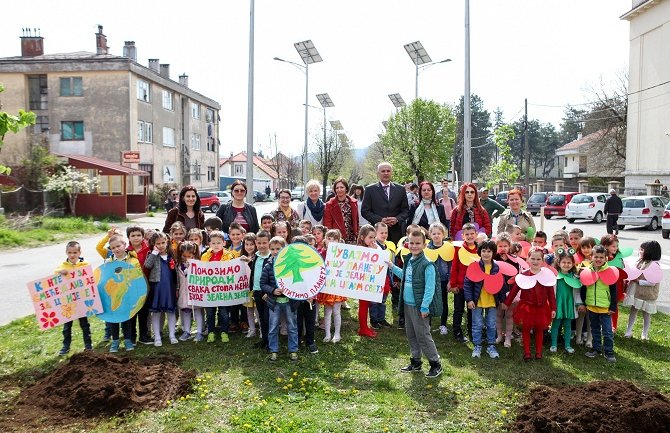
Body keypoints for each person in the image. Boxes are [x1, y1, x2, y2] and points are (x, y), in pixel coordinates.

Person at [388, 229, 443, 378]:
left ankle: (435, 363)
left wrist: (425, 306)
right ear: (407, 244)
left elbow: (430, 288)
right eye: (411, 243)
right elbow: (405, 276)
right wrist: (392, 267)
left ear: (424, 245)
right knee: (411, 334)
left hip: (420, 307)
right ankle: (416, 361)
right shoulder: (409, 261)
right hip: (407, 304)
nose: (414, 246)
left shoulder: (427, 265)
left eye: (418, 243)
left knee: (423, 335)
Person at [503, 247, 556, 361]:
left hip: (541, 308)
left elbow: (551, 294)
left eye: (538, 259)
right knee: (526, 329)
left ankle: (538, 352)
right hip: (527, 307)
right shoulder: (523, 275)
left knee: (539, 329)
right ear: (528, 259)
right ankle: (527, 352)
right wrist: (507, 303)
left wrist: (553, 308)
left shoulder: (546, 275)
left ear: (542, 261)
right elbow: (514, 290)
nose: (535, 261)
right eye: (533, 258)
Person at [261, 236, 300, 362]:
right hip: (274, 302)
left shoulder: (292, 264)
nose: (275, 251)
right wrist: (272, 290)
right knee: (273, 327)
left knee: (292, 327)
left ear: (285, 249)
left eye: (279, 248)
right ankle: (273, 350)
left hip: (290, 302)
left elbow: (299, 282)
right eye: (272, 249)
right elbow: (263, 284)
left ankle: (293, 350)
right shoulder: (268, 266)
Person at [464, 240, 504, 359]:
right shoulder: (474, 266)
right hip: (477, 302)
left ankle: (491, 345)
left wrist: (502, 301)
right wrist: (469, 299)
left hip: (492, 302)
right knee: (477, 324)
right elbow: (467, 285)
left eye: (489, 251)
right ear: (479, 252)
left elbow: (501, 285)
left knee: (491, 324)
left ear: (493, 253)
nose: (486, 253)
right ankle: (477, 345)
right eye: (483, 251)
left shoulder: (497, 267)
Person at [104, 234, 141, 353]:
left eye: (118, 246)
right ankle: (115, 341)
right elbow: (105, 278)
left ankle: (128, 340)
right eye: (113, 248)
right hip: (114, 296)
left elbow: (137, 276)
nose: (116, 249)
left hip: (128, 294)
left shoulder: (133, 260)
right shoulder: (108, 262)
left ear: (124, 245)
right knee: (114, 319)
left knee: (126, 318)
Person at [55, 241, 93, 355]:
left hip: (81, 300)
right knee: (67, 326)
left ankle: (88, 345)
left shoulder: (85, 265)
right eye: (70, 252)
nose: (72, 255)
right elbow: (55, 276)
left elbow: (89, 279)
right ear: (66, 253)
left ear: (79, 252)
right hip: (68, 302)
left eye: (75, 252)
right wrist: (60, 272)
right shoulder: (62, 266)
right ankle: (66, 346)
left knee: (84, 324)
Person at [582, 245, 618, 363]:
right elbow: (584, 288)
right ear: (591, 257)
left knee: (607, 331)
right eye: (596, 256)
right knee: (595, 329)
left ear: (605, 258)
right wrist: (584, 302)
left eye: (601, 257)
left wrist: (613, 306)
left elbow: (613, 291)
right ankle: (596, 348)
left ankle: (609, 351)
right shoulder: (587, 272)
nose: (598, 259)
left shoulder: (610, 272)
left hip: (605, 308)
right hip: (592, 306)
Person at [361, 162, 410, 244]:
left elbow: (406, 210)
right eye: (383, 171)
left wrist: (397, 219)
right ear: (378, 173)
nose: (386, 173)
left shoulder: (400, 189)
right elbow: (365, 211)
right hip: (376, 234)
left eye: (388, 171)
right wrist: (380, 220)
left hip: (396, 232)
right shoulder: (370, 190)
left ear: (391, 173)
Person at [144, 231, 178, 347]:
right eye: (158, 243)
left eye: (163, 242)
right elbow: (147, 265)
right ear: (153, 244)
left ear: (167, 242)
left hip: (170, 287)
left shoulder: (171, 254)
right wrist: (154, 252)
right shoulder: (152, 255)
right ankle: (157, 336)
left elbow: (176, 271)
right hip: (157, 288)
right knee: (156, 312)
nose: (161, 245)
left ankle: (172, 335)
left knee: (171, 311)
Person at [202, 230, 236, 343]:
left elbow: (232, 271)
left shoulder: (229, 255)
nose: (216, 245)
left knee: (224, 312)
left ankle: (224, 332)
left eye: (218, 243)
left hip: (223, 290)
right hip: (210, 290)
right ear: (209, 244)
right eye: (213, 243)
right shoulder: (205, 256)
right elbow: (201, 271)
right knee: (210, 312)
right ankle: (211, 331)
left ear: (224, 243)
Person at [624, 241, 662, 341]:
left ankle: (644, 334)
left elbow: (653, 282)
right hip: (637, 291)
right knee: (634, 309)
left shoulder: (654, 265)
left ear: (649, 251)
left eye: (642, 250)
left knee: (646, 313)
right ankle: (628, 330)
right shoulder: (640, 261)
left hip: (648, 293)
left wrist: (638, 281)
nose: (640, 251)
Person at [449, 223, 478, 343]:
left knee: (472, 309)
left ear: (476, 235)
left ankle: (472, 331)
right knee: (458, 309)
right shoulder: (458, 249)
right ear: (463, 236)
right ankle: (457, 331)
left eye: (472, 234)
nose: (470, 236)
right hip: (460, 285)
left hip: (474, 286)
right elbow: (454, 267)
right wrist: (453, 284)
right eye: (467, 234)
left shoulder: (480, 249)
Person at [318, 229, 347, 343]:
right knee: (327, 312)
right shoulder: (322, 253)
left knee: (336, 311)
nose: (331, 241)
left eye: (334, 239)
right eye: (329, 239)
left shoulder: (342, 254)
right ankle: (327, 334)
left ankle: (337, 334)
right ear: (325, 240)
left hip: (337, 287)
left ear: (338, 241)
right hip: (327, 287)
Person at [551, 250, 580, 354]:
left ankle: (567, 345)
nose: (566, 265)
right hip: (558, 304)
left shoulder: (575, 277)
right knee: (556, 324)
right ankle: (553, 344)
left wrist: (579, 303)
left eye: (569, 263)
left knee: (568, 325)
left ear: (572, 264)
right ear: (559, 263)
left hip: (569, 305)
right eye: (564, 262)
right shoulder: (555, 276)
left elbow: (577, 292)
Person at [175, 241, 204, 342]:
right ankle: (186, 331)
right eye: (184, 255)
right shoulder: (178, 265)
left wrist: (191, 268)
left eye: (189, 256)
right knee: (186, 311)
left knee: (197, 310)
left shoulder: (198, 264)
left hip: (196, 292)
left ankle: (199, 332)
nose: (186, 258)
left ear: (194, 254)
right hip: (184, 291)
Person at [249, 230, 272, 351]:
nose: (262, 245)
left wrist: (268, 292)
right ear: (256, 243)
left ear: (269, 243)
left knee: (268, 318)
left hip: (267, 293)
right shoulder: (256, 256)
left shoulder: (271, 257)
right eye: (259, 243)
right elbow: (254, 273)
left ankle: (270, 342)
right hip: (257, 291)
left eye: (264, 243)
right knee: (261, 317)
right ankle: (264, 340)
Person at [427, 222, 451, 336]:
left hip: (443, 279)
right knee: (429, 301)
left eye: (439, 233)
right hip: (430, 280)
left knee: (443, 301)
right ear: (430, 235)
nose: (436, 236)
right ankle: (428, 324)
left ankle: (443, 325)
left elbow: (451, 265)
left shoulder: (448, 248)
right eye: (434, 233)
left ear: (443, 234)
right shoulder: (426, 248)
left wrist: (450, 280)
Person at [357, 225, 380, 338]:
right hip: (362, 282)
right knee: (363, 305)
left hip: (368, 281)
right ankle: (363, 328)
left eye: (374, 237)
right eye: (370, 237)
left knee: (365, 304)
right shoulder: (361, 249)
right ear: (362, 237)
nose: (373, 240)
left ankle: (365, 326)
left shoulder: (372, 248)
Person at [324, 177, 360, 244]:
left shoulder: (353, 203)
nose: (339, 190)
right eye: (337, 188)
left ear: (346, 189)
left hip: (352, 239)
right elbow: (327, 224)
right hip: (337, 239)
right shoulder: (330, 204)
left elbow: (356, 221)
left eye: (342, 187)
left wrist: (357, 235)